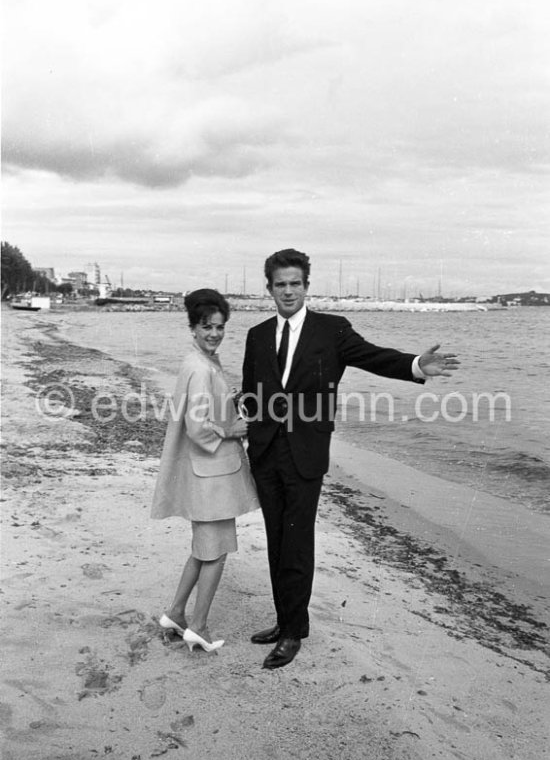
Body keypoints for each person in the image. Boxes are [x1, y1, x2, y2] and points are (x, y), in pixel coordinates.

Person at [242, 249, 459, 670]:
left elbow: (374, 357)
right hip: (266, 451)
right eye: (280, 284)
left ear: (307, 286)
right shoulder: (256, 334)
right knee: (275, 539)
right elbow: (252, 392)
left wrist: (416, 364)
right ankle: (284, 619)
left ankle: (292, 633)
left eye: (295, 283)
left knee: (297, 541)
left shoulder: (332, 330)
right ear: (269, 289)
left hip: (306, 453)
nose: (288, 291)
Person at [151, 288, 259, 653]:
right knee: (217, 550)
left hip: (206, 474)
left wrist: (230, 403)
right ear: (193, 328)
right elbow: (198, 428)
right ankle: (198, 625)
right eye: (206, 326)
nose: (214, 333)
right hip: (211, 475)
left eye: (219, 327)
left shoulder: (199, 361)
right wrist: (231, 429)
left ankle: (176, 613)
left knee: (203, 548)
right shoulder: (200, 367)